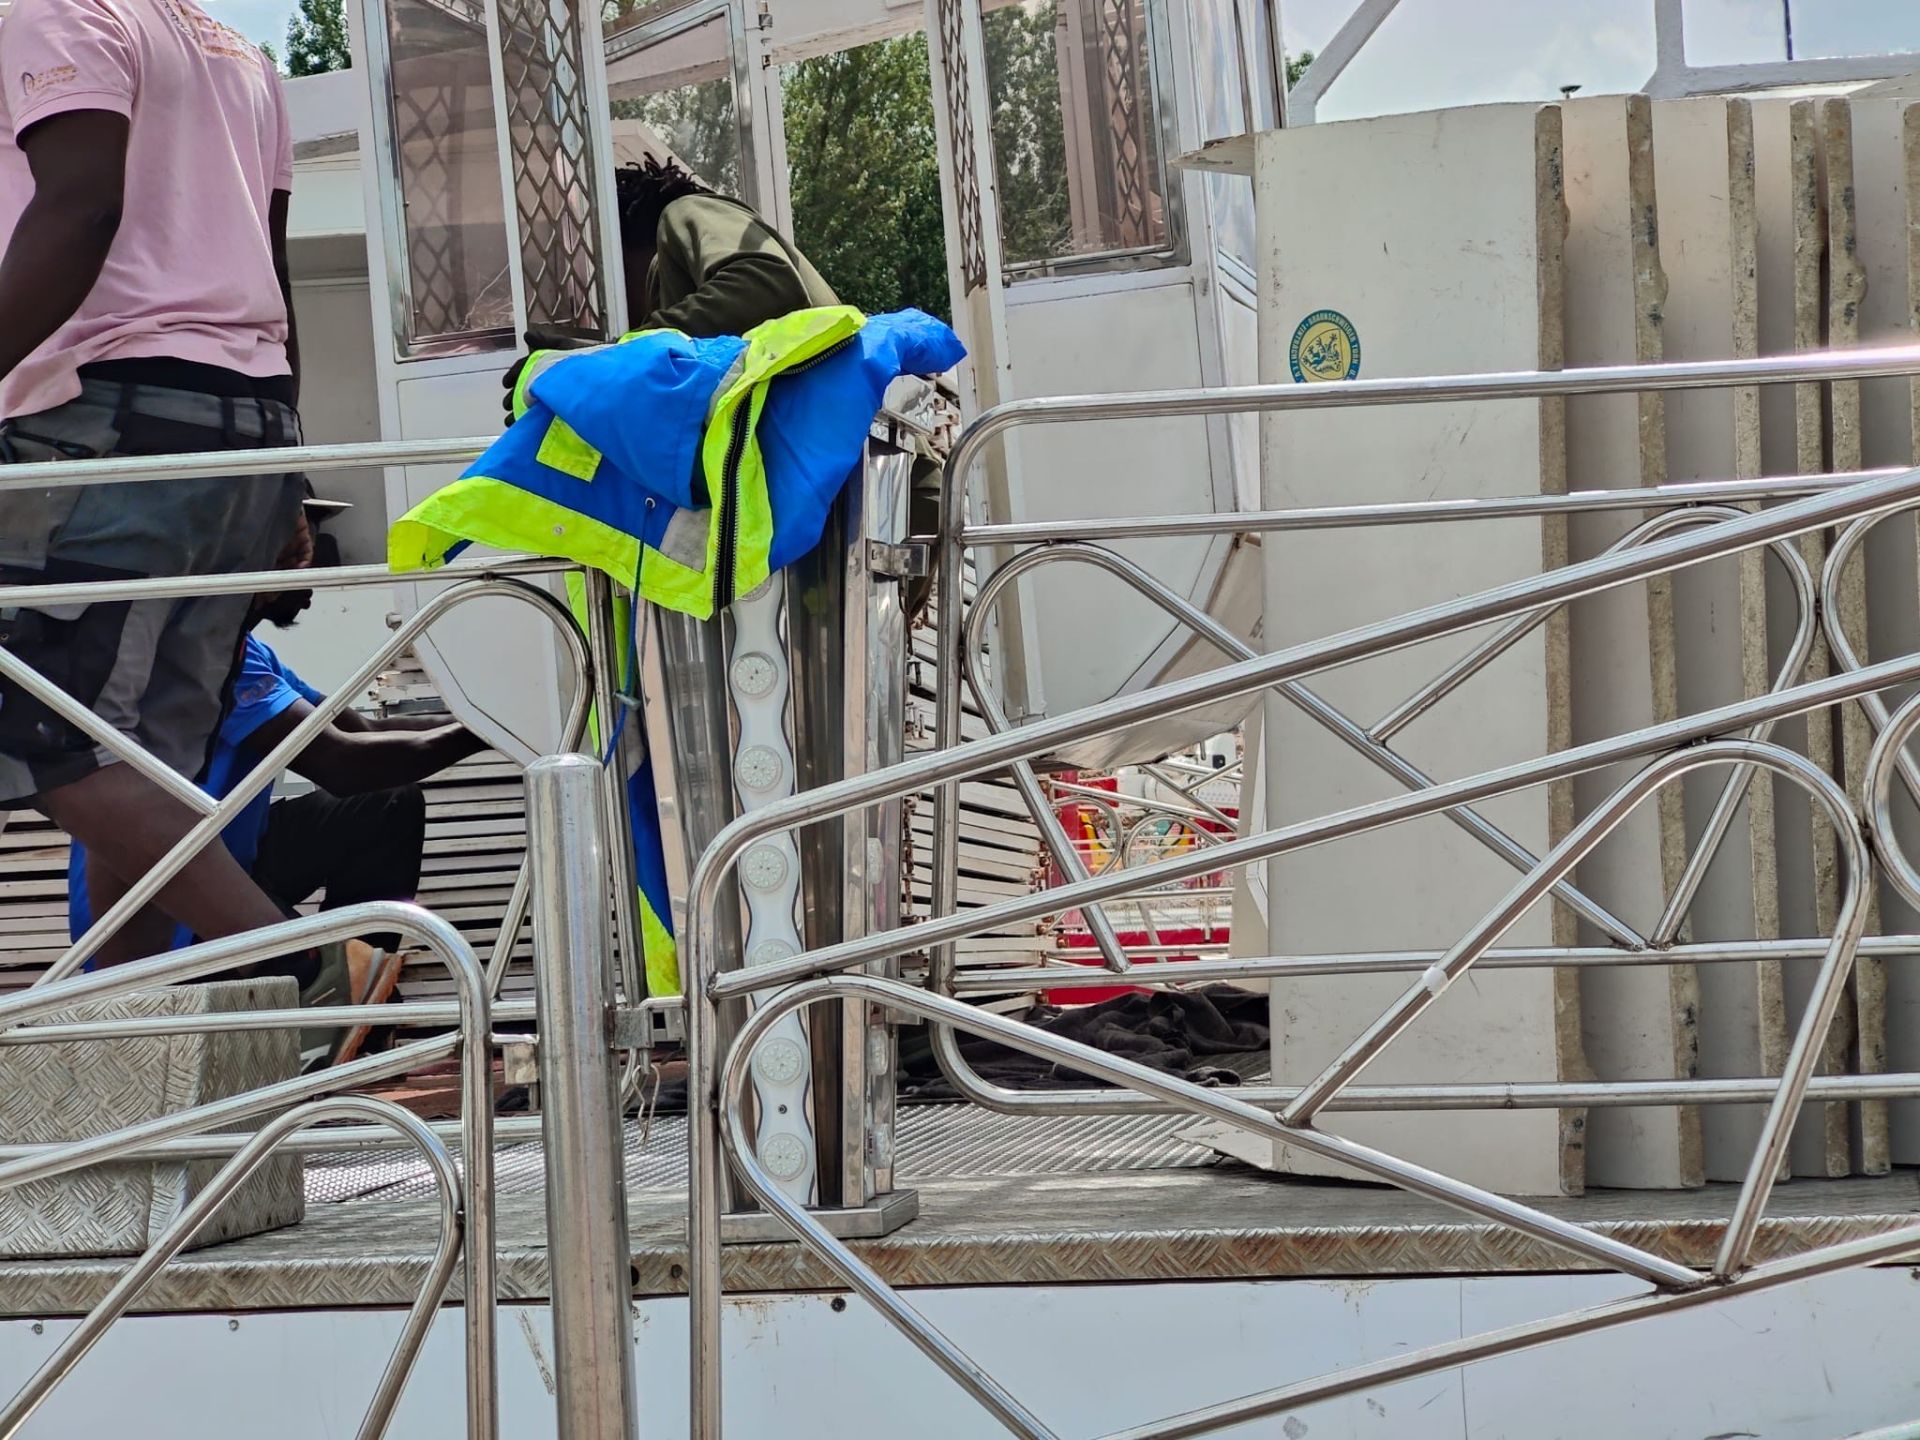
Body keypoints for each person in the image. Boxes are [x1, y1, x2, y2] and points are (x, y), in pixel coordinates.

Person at [0, 0, 327, 980]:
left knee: (51, 732)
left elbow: (81, 203)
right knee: (143, 767)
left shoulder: (48, 9)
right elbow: (273, 266)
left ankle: (298, 965)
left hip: (114, 416)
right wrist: (288, 474)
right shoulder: (233, 44)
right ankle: (133, 1067)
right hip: (241, 420)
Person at [68, 497, 490, 1068]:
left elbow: (359, 729)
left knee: (384, 802)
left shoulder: (247, 650)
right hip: (174, 909)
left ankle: (361, 1006)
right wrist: (492, 729)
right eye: (298, 548)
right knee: (370, 787)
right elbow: (342, 762)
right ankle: (333, 1017)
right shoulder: (203, 655)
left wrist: (484, 717)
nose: (310, 568)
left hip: (232, 864)